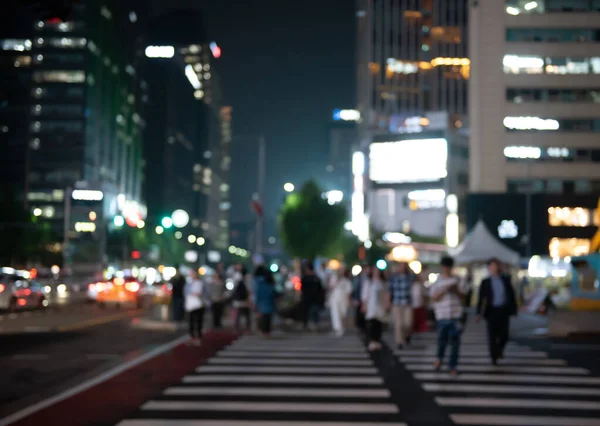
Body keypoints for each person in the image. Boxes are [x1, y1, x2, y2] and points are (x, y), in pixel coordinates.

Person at [476, 258, 518, 365]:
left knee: (505, 334)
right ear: (489, 267)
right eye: (493, 265)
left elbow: (511, 295)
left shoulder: (505, 279)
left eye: (496, 265)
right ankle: (494, 356)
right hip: (491, 311)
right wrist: (478, 313)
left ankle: (499, 349)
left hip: (503, 310)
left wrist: (514, 309)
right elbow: (481, 299)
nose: (495, 268)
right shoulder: (485, 282)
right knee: (492, 335)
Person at [430, 256, 464, 376]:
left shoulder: (457, 280)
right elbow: (433, 298)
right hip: (442, 315)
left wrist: (455, 290)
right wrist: (443, 290)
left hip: (455, 315)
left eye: (449, 267)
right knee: (441, 341)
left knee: (455, 342)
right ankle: (439, 358)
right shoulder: (438, 281)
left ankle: (452, 366)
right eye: (445, 267)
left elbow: (464, 297)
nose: (447, 270)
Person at [387, 262, 416, 349]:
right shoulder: (394, 277)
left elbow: (417, 277)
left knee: (408, 323)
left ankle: (407, 336)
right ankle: (399, 341)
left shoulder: (409, 277)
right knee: (398, 324)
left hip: (407, 303)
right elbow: (389, 290)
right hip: (397, 303)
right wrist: (388, 302)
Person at [363, 266, 387, 351]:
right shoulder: (369, 282)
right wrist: (364, 305)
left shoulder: (382, 283)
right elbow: (365, 295)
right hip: (371, 306)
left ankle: (377, 340)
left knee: (379, 324)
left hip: (380, 306)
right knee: (372, 324)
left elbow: (385, 294)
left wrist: (386, 304)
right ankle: (372, 341)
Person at [253, 264, 277, 336]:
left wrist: (256, 302)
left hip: (262, 301)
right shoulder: (269, 279)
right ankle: (267, 331)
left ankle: (263, 331)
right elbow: (273, 290)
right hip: (269, 300)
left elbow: (257, 293)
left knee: (263, 316)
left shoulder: (258, 281)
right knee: (268, 316)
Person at [328, 268, 353, 337]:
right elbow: (330, 287)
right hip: (334, 299)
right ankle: (337, 329)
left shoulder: (346, 281)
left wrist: (348, 301)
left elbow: (349, 292)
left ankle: (341, 328)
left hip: (343, 300)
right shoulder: (334, 278)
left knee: (342, 314)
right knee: (335, 313)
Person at [185, 269, 207, 345]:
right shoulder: (189, 283)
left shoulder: (200, 283)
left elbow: (199, 293)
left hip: (198, 304)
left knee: (198, 321)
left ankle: (198, 337)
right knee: (191, 321)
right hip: (190, 305)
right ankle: (192, 337)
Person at [300, 263, 324, 331]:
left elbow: (301, 289)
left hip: (309, 298)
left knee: (309, 312)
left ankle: (308, 324)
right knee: (312, 312)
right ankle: (313, 324)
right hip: (313, 298)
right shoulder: (315, 278)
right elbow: (320, 289)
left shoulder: (305, 278)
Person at [232, 265, 252, 331]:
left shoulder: (238, 279)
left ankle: (238, 327)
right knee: (245, 315)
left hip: (240, 300)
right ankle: (246, 328)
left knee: (240, 314)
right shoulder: (246, 279)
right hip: (243, 300)